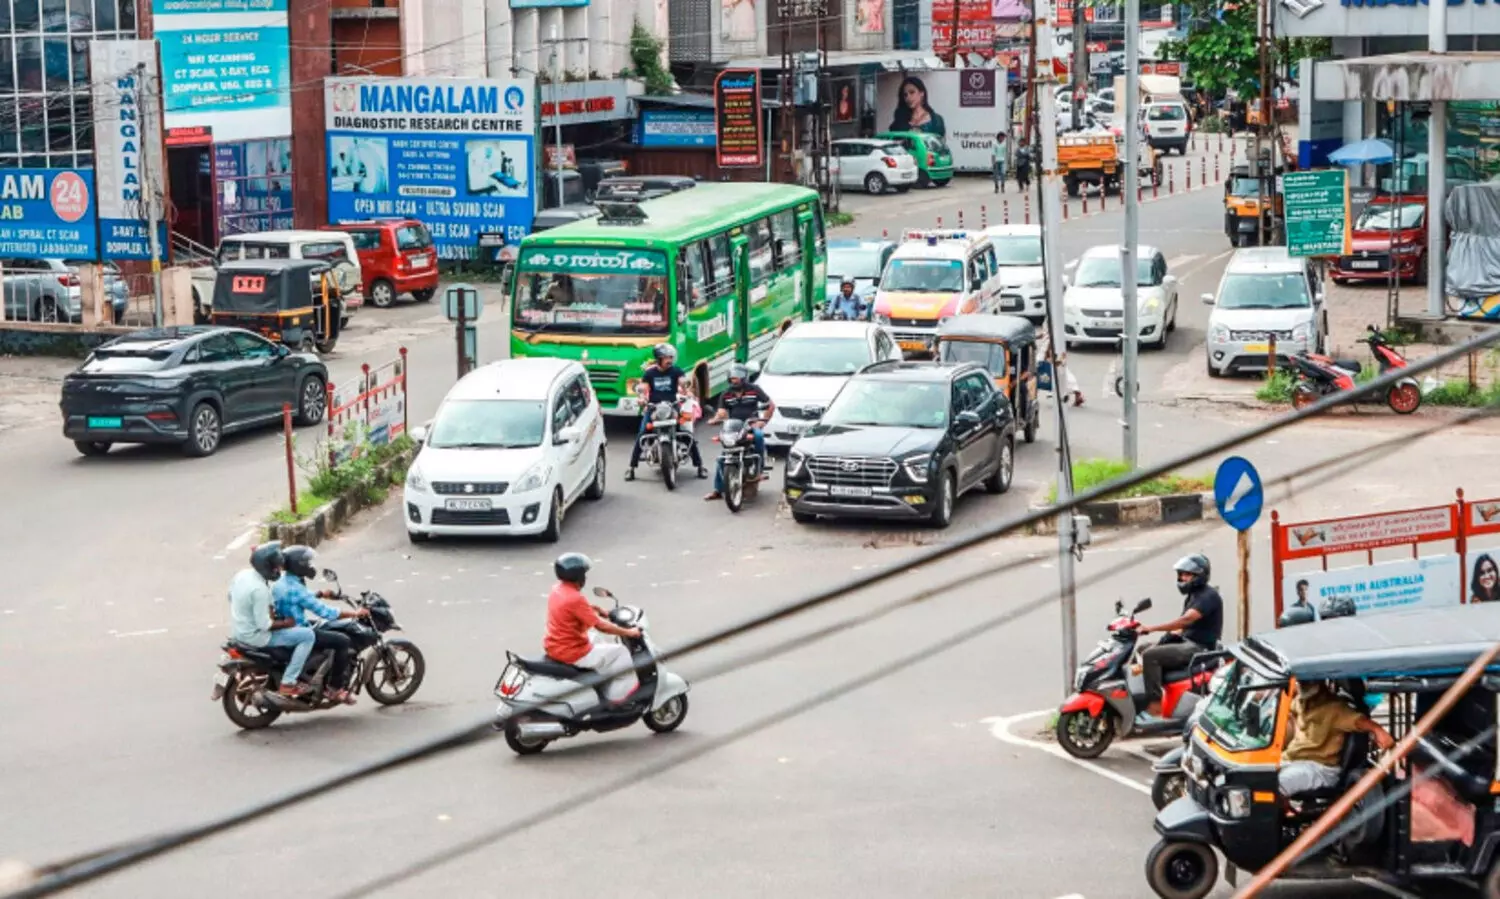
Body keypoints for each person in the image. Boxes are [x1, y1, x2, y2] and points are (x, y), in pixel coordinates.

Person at [274, 545, 371, 705]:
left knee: (326, 627)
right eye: (307, 562)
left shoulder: (283, 581)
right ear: (298, 565)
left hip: (289, 625)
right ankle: (335, 688)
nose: (310, 566)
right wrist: (355, 613)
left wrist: (320, 593)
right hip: (298, 630)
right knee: (342, 641)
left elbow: (300, 596)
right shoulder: (295, 588)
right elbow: (327, 613)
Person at [1137, 554, 1224, 720]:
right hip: (1187, 640)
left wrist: (1151, 628)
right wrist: (1163, 639)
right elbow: (1182, 628)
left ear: (1199, 576)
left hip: (1199, 647)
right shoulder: (1193, 595)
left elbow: (1185, 620)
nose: (1183, 578)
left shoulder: (1208, 596)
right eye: (1181, 574)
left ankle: (1155, 706)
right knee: (1143, 648)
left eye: (1187, 575)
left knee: (1150, 656)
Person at [544, 553, 641, 703]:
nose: (586, 578)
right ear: (578, 576)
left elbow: (572, 609)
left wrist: (595, 609)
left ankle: (600, 682)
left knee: (595, 638)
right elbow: (601, 626)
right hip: (571, 652)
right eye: (584, 574)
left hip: (555, 645)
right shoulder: (575, 598)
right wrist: (629, 632)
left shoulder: (557, 589)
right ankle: (617, 699)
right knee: (620, 652)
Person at [1279, 679, 1395, 798]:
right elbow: (1288, 709)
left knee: (1279, 784)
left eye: (1306, 681)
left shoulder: (1335, 708)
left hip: (1319, 767)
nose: (1302, 684)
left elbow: (1358, 721)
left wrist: (1378, 730)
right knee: (1266, 774)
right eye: (1301, 681)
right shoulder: (1301, 702)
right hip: (1291, 759)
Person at [228, 542, 315, 698]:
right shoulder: (260, 590)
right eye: (276, 567)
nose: (278, 570)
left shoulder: (242, 575)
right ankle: (288, 682)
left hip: (239, 630)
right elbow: (265, 625)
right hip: (257, 637)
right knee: (307, 635)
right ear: (267, 566)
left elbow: (230, 597)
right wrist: (286, 623)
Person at [627, 343, 706, 481]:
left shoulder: (676, 371)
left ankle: (699, 466)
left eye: (671, 357)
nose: (670, 360)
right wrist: (642, 398)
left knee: (686, 433)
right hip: (654, 408)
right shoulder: (650, 373)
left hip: (672, 407)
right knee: (642, 433)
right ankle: (631, 468)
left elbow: (682, 381)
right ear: (659, 359)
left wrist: (687, 390)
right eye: (666, 358)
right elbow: (644, 388)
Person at [704, 363, 775, 501]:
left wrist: (762, 421)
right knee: (723, 457)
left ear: (744, 378)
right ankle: (717, 490)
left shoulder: (754, 389)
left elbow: (770, 405)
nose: (734, 380)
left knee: (759, 436)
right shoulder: (726, 394)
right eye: (732, 378)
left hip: (750, 424)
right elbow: (721, 412)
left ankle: (759, 470)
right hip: (733, 427)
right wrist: (715, 419)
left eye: (737, 378)